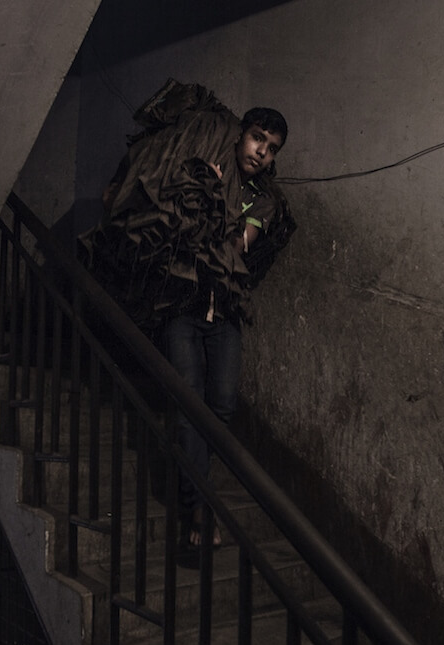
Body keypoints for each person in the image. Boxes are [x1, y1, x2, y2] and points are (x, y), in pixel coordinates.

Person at [83, 80, 296, 548]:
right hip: (182, 307)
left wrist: (210, 200)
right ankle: (198, 509)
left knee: (220, 407)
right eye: (258, 138)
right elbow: (176, 221)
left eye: (271, 147)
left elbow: (240, 245)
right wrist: (202, 194)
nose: (262, 152)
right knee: (188, 401)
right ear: (241, 135)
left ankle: (191, 479)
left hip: (225, 316)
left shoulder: (260, 200)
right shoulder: (204, 161)